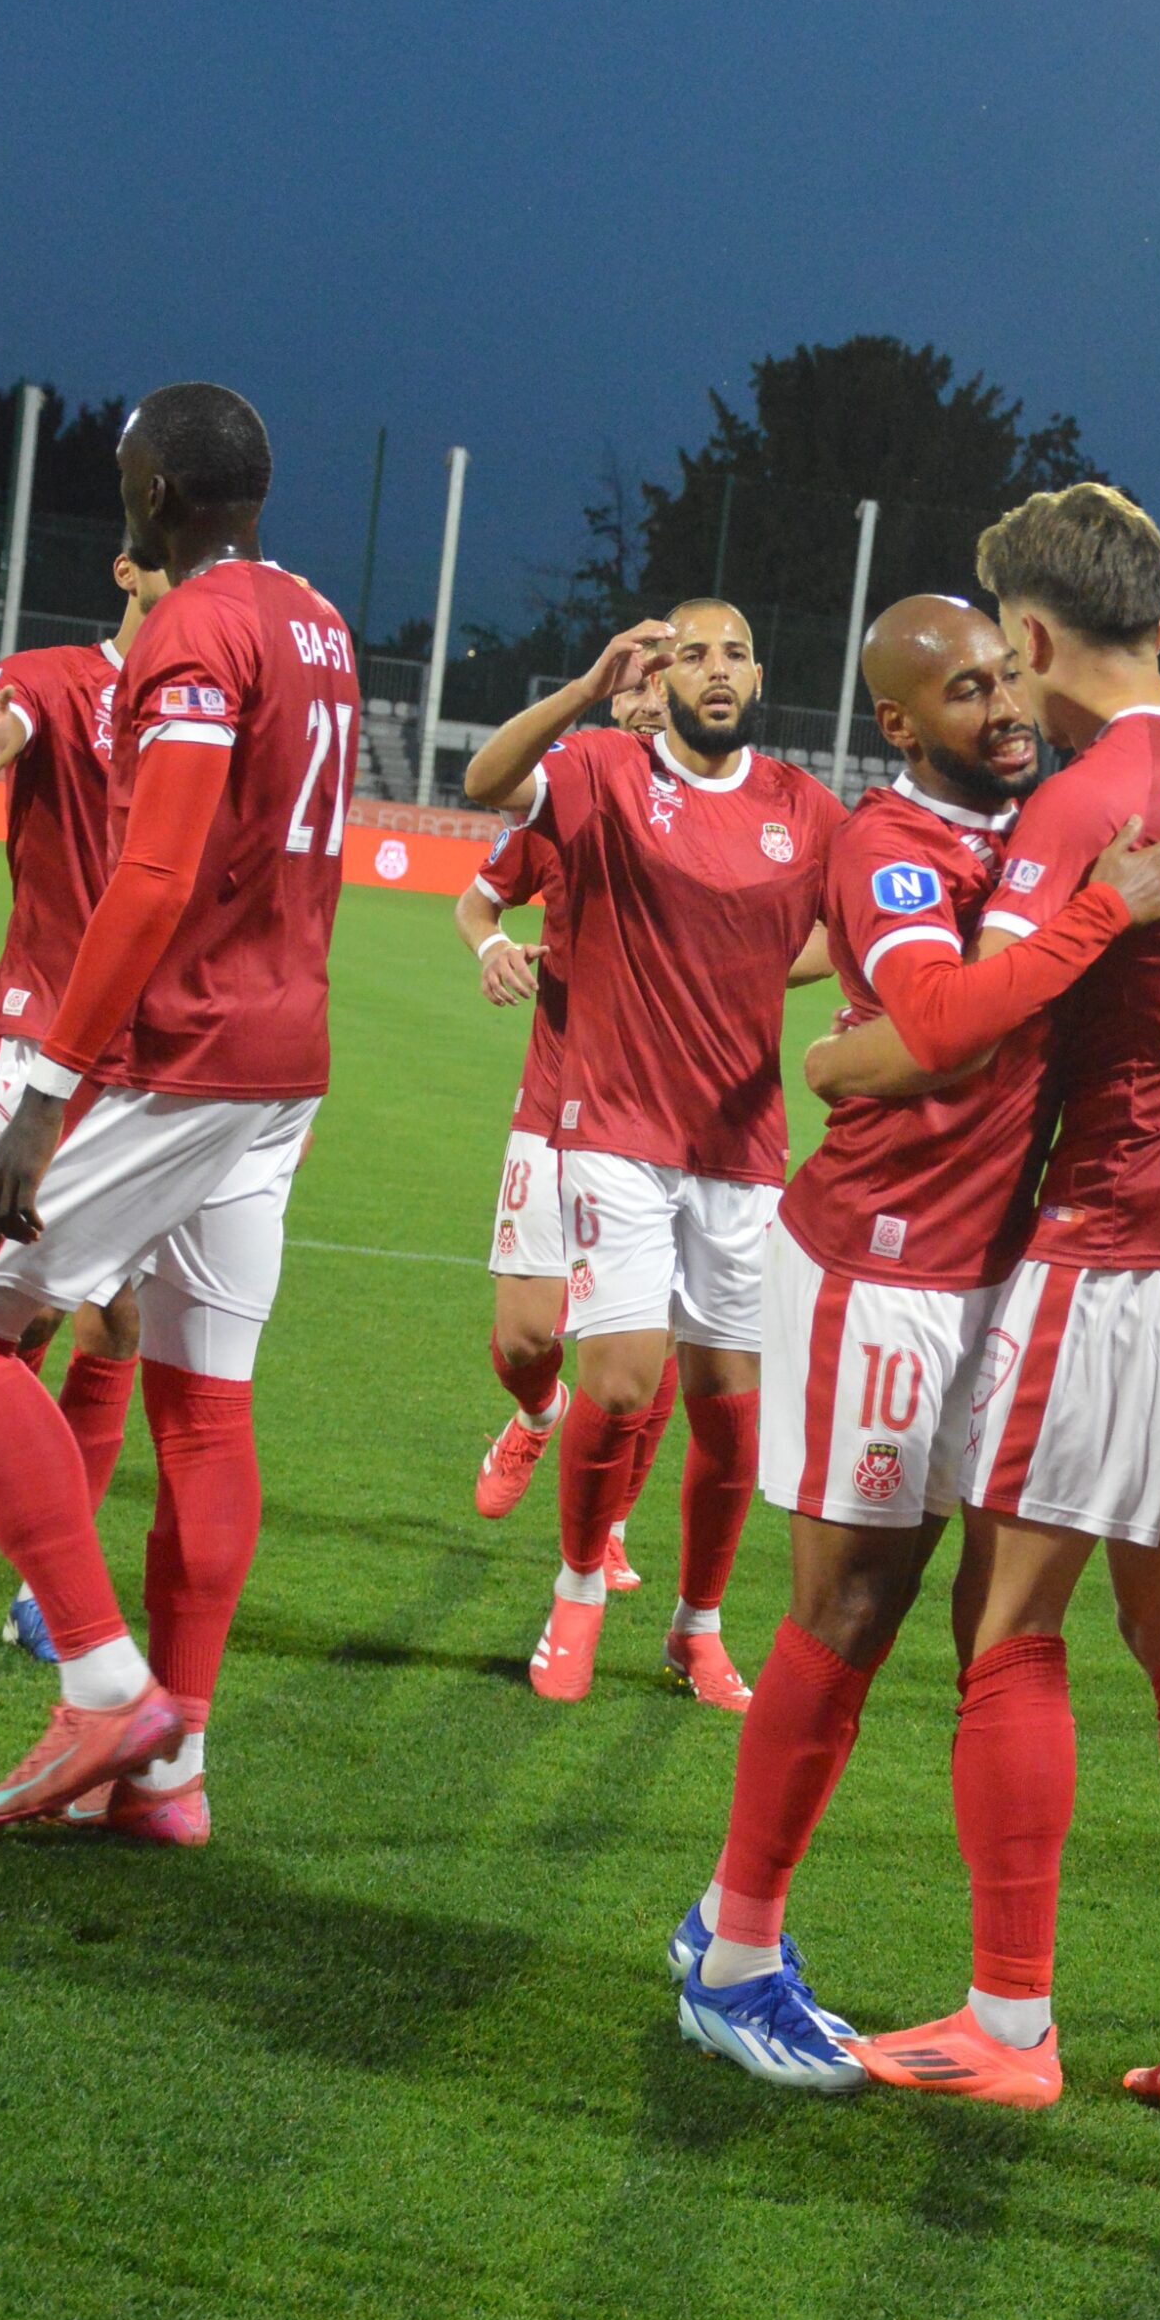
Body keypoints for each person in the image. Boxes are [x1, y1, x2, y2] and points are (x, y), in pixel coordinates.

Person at [672, 593, 1160, 2090]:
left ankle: (833, 1953)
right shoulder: (890, 844)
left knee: (979, 1624)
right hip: (883, 1266)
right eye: (964, 692)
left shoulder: (1044, 821)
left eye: (1004, 677)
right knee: (846, 1607)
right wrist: (1100, 913)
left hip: (1006, 1272)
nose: (1005, 706)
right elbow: (938, 1021)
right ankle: (732, 1962)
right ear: (899, 724)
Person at [822, 486, 1160, 2114]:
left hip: (1124, 1243)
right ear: (1157, 619)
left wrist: (840, 1058)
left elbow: (952, 1026)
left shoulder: (1089, 799)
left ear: (1029, 635)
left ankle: (1006, 2024)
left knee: (1009, 1622)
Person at [0, 382, 360, 1843]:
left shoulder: (195, 630)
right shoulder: (316, 621)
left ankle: (100, 1683)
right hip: (283, 1059)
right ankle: (170, 1774)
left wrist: (43, 1100)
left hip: (180, 1054)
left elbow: (152, 875)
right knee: (205, 1403)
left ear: (154, 493)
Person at [463, 600, 838, 1708]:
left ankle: (696, 1627)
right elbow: (488, 781)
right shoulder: (603, 769)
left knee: (730, 1408)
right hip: (613, 1125)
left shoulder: (804, 809)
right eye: (693, 655)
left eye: (734, 653)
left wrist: (766, 970)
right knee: (618, 1380)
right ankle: (578, 1588)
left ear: (758, 678)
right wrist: (585, 690)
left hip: (741, 1143)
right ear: (660, 681)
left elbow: (855, 923)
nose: (715, 670)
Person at [456, 657, 678, 1584]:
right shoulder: (568, 794)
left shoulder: (733, 815)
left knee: (644, 1344)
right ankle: (537, 1415)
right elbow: (477, 900)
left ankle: (612, 1520)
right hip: (556, 1102)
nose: (648, 699)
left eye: (665, 682)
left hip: (669, 1117)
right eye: (635, 684)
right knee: (524, 1339)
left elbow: (813, 933)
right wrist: (493, 946)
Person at [0, 545, 170, 1662]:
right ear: (127, 570)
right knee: (21, 1314)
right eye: (174, 567)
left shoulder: (211, 703)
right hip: (38, 1045)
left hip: (152, 1061)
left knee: (109, 1317)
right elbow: (0, 732)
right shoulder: (55, 678)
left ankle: (49, 1591)